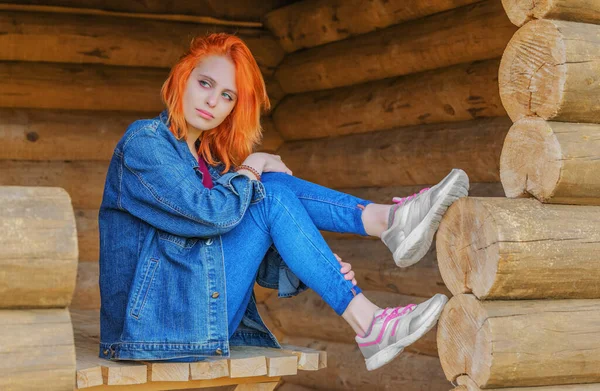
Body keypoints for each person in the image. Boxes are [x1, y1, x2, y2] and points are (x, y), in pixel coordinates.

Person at [98, 32, 469, 371]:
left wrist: (318, 259)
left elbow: (250, 261)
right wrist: (253, 164)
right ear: (182, 78)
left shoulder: (209, 163)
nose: (213, 101)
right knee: (268, 189)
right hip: (156, 323)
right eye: (205, 83)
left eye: (227, 95)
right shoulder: (146, 142)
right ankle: (380, 265)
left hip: (196, 314)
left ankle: (388, 226)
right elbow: (210, 216)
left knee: (270, 185)